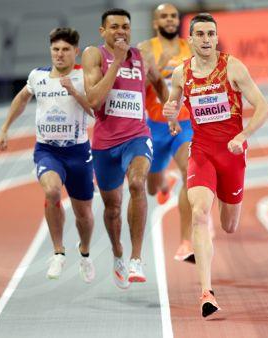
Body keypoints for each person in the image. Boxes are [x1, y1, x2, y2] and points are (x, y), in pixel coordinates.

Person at [163, 13, 268, 317]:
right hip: (202, 152)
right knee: (199, 214)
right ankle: (206, 293)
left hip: (232, 154)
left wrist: (244, 134)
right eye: (201, 34)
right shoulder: (181, 74)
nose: (207, 39)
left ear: (216, 36)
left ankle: (221, 205)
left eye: (211, 34)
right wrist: (171, 115)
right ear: (191, 39)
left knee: (230, 226)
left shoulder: (233, 67)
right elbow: (173, 108)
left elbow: (264, 107)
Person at [0, 27, 96, 283]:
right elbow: (20, 99)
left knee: (83, 213)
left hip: (78, 152)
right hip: (47, 150)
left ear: (76, 51)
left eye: (65, 50)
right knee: (51, 192)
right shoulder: (37, 76)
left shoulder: (85, 77)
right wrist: (5, 129)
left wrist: (74, 91)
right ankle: (58, 252)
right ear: (50, 50)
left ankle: (84, 253)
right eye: (55, 49)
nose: (59, 55)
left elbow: (96, 112)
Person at [82, 9, 167, 289]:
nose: (121, 31)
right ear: (102, 31)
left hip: (137, 136)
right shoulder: (94, 55)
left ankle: (136, 258)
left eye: (126, 27)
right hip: (105, 144)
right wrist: (116, 63)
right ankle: (118, 251)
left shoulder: (142, 57)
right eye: (114, 26)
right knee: (113, 208)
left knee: (138, 183)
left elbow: (159, 82)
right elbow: (93, 100)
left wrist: (171, 113)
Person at [137, 3, 194, 264]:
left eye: (173, 16)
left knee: (189, 173)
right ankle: (162, 184)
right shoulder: (145, 50)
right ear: (155, 22)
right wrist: (155, 71)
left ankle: (185, 242)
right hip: (156, 125)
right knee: (151, 187)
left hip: (185, 124)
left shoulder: (189, 47)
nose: (170, 20)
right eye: (164, 16)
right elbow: (135, 86)